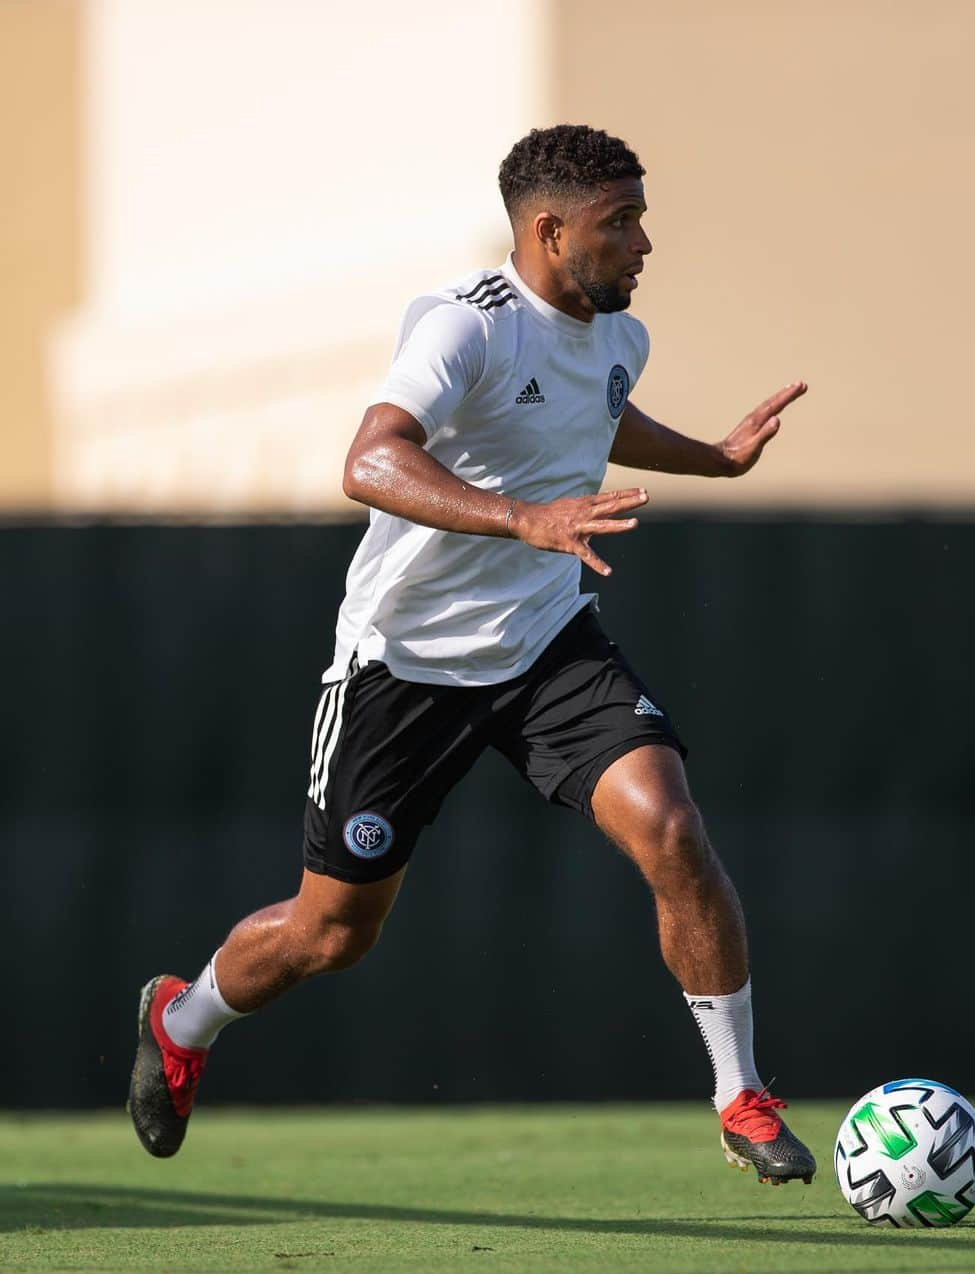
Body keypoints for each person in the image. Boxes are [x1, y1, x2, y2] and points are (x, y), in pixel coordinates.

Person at [128, 124, 814, 1186]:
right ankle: (184, 1017)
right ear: (547, 229)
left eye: (640, 215)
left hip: (547, 649)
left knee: (673, 827)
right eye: (619, 220)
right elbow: (368, 459)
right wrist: (520, 518)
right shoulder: (463, 326)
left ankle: (740, 1091)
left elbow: (597, 411)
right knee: (331, 931)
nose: (643, 241)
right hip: (404, 664)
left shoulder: (620, 336)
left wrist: (713, 459)